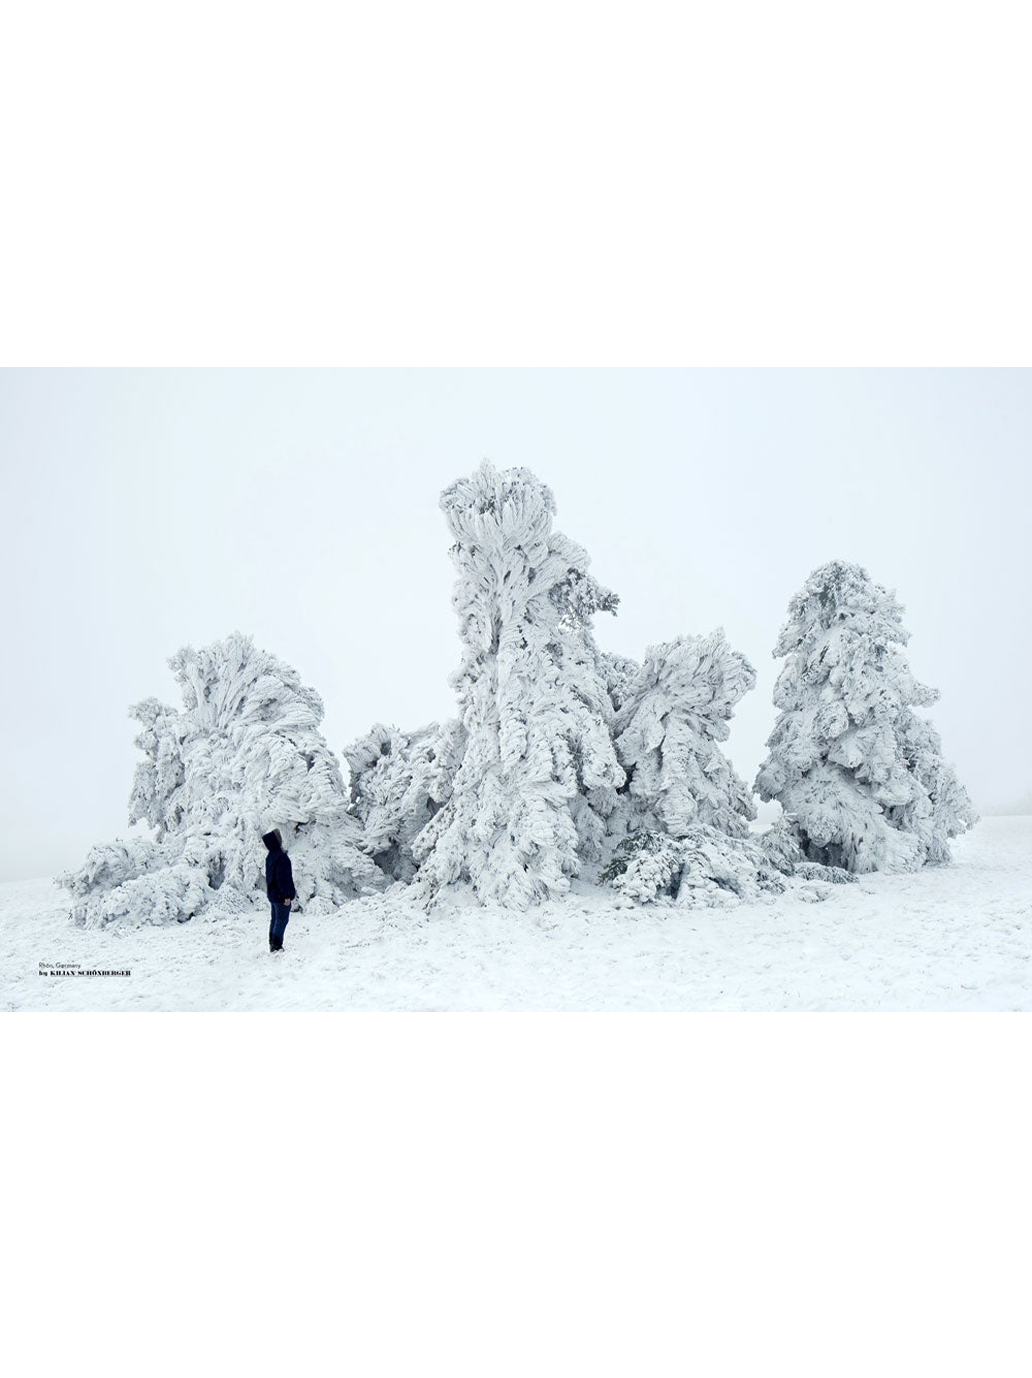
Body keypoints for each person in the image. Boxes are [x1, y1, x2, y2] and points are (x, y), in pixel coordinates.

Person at [262, 828, 296, 953]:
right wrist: (286, 895)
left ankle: (272, 943)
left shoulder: (270, 856)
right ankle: (276, 946)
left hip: (273, 894)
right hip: (281, 895)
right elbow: (283, 878)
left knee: (275, 919)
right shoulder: (281, 857)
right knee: (281, 920)